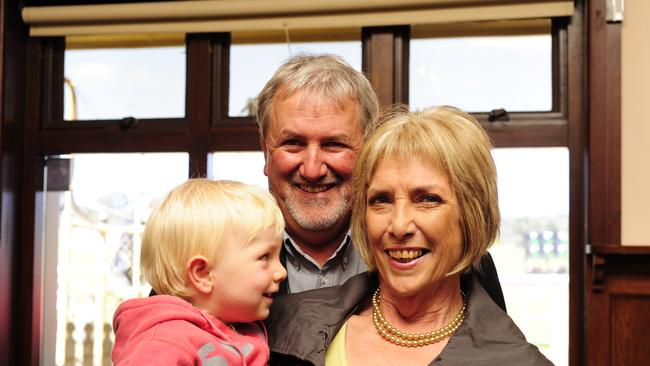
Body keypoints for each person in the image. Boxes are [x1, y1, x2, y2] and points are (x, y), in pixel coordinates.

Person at [266, 106, 552, 365]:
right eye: (381, 200)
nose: (399, 226)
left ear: (471, 214)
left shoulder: (518, 360)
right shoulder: (280, 325)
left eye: (427, 199)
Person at [255, 55, 505, 309]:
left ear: (368, 151)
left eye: (334, 145)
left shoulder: (462, 266)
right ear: (266, 153)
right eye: (293, 144)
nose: (312, 169)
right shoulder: (223, 258)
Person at [112, 179, 287, 365]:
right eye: (264, 257)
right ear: (202, 274)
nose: (281, 272)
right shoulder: (162, 342)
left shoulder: (243, 328)